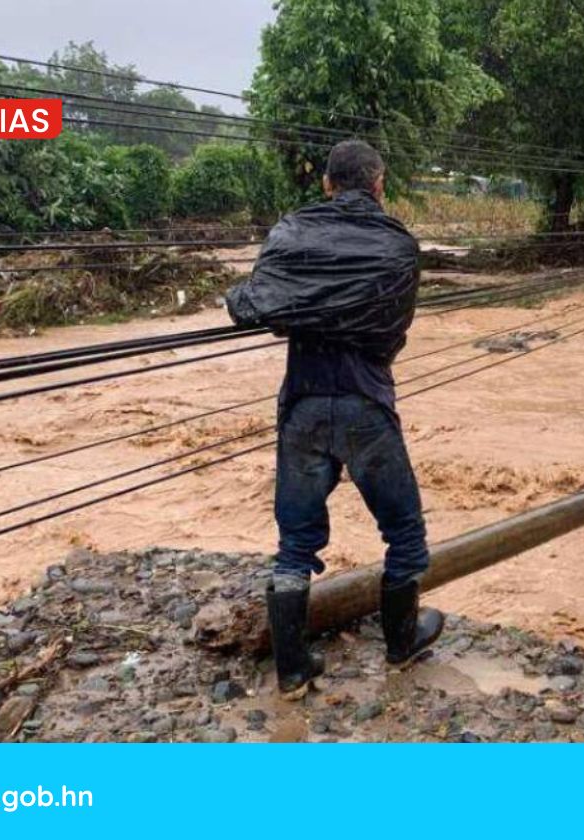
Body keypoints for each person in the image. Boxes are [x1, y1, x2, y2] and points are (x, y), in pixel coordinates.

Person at [226, 139, 444, 693]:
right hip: (365, 404)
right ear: (378, 185)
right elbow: (391, 332)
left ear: (326, 184)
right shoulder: (397, 247)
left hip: (302, 405)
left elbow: (255, 305)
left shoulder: (292, 233)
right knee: (404, 534)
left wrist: (246, 296)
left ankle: (294, 671)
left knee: (295, 544)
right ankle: (401, 644)